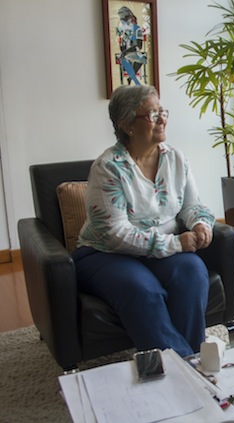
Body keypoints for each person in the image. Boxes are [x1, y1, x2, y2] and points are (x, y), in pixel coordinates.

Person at [72, 85, 215, 358]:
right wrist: (175, 243)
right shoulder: (108, 167)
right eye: (152, 114)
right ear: (126, 125)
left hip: (160, 250)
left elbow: (191, 205)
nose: (162, 119)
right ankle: (188, 370)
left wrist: (200, 224)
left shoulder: (175, 158)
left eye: (163, 112)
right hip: (105, 254)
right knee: (143, 289)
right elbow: (115, 233)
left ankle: (195, 355)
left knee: (193, 271)